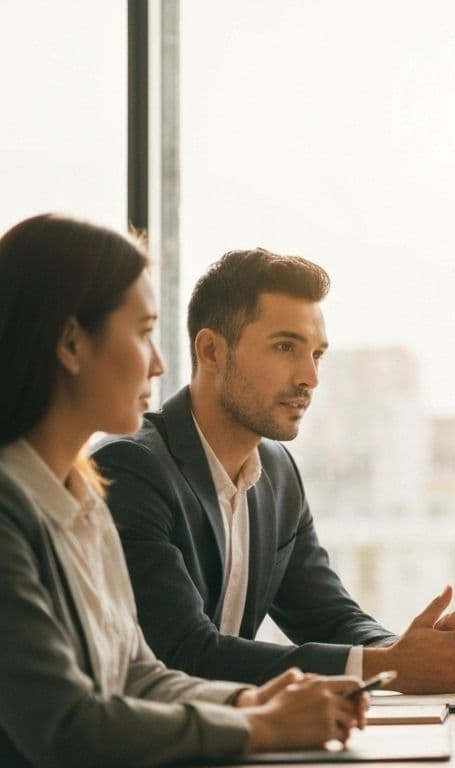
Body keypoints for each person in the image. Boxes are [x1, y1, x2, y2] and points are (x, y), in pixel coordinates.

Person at [0, 213, 368, 766]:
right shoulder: (14, 509)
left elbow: (138, 674)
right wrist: (257, 727)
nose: (159, 363)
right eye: (144, 332)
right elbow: (67, 726)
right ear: (72, 343)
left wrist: (252, 702)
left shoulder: (82, 497)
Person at [93, 248, 455, 695]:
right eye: (285, 347)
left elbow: (328, 616)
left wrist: (416, 654)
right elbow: (182, 654)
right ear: (211, 350)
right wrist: (391, 665)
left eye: (317, 354)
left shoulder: (276, 471)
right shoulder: (130, 470)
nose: (310, 376)